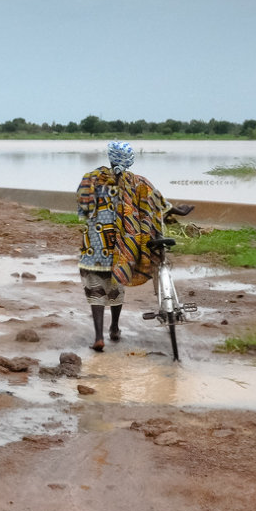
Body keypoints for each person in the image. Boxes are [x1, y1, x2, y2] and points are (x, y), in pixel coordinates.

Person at [76, 141, 172, 352]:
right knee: (116, 286)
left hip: (95, 246)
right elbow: (156, 204)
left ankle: (99, 337)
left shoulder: (91, 179)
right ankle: (115, 328)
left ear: (110, 157)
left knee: (96, 289)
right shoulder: (138, 183)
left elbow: (83, 208)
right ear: (130, 161)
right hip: (122, 247)